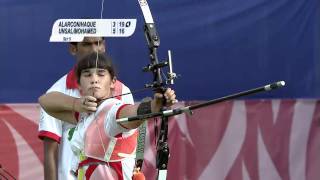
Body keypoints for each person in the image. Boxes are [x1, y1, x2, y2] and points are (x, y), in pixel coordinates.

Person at [39, 53, 177, 179]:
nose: (94, 80)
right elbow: (45, 101)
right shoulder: (85, 115)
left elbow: (134, 113)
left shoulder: (112, 110)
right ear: (79, 84)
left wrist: (156, 104)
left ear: (113, 82)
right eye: (87, 75)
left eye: (101, 74)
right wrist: (75, 103)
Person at [38, 37, 134, 180]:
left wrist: (155, 105)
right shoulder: (57, 91)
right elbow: (50, 151)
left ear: (104, 45)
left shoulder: (123, 89)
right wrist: (76, 104)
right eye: (87, 44)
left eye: (98, 43)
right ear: (73, 48)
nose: (94, 49)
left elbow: (131, 138)